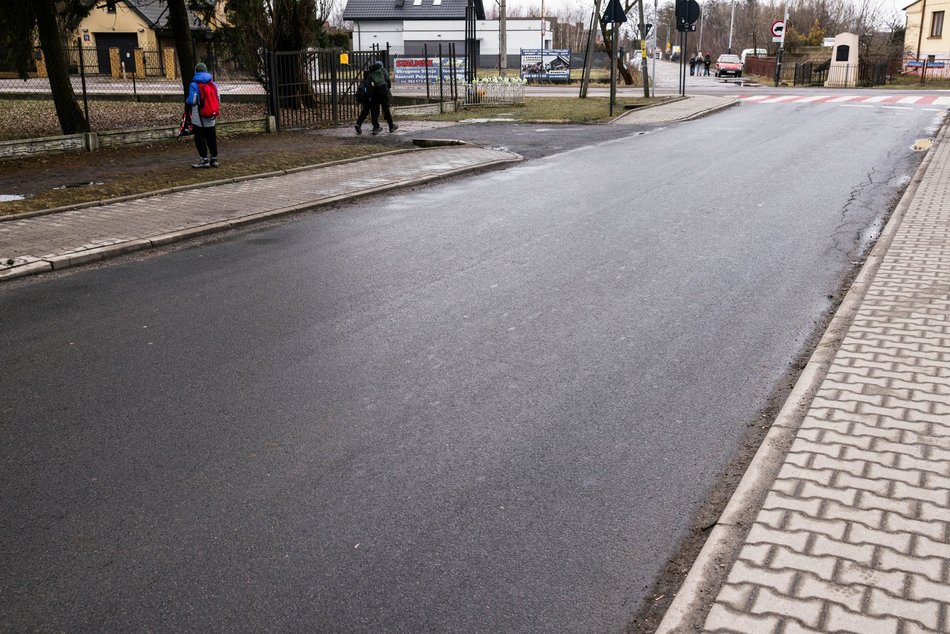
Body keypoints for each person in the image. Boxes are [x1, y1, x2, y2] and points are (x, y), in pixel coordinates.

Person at [185, 62, 219, 168]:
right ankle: (214, 159)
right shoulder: (213, 84)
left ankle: (204, 160)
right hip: (211, 116)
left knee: (200, 138)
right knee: (211, 137)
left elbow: (192, 101)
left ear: (196, 71)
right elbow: (218, 98)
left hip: (199, 117)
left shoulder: (194, 84)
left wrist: (187, 101)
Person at [366, 60, 397, 135]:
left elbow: (368, 84)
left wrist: (370, 94)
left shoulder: (371, 71)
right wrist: (387, 88)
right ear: (381, 65)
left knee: (375, 111)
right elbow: (388, 81)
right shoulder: (383, 70)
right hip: (383, 93)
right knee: (386, 109)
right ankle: (391, 126)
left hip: (374, 94)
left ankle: (375, 128)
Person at [354, 67, 372, 134]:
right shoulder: (368, 82)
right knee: (373, 111)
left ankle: (358, 124)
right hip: (368, 99)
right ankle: (376, 126)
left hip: (363, 99)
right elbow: (369, 91)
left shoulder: (363, 81)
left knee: (365, 111)